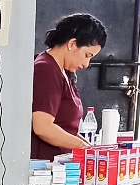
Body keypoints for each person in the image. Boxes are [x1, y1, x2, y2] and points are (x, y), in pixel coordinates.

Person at [32, 13, 108, 160]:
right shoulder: (46, 70)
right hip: (44, 167)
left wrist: (91, 150)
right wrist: (82, 147)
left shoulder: (63, 71)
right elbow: (42, 127)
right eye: (87, 55)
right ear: (72, 44)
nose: (87, 64)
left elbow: (66, 128)